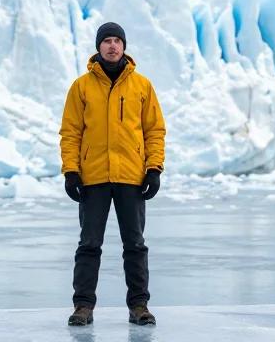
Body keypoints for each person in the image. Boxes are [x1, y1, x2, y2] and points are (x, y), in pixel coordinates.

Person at [59, 21, 166, 327]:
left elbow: (154, 131)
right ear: (98, 46)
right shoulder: (81, 87)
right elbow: (70, 133)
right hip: (93, 179)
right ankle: (83, 307)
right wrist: (71, 171)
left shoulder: (142, 86)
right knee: (89, 244)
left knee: (134, 244)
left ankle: (139, 306)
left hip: (131, 178)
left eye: (117, 40)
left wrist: (154, 168)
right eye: (106, 40)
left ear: (124, 46)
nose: (112, 45)